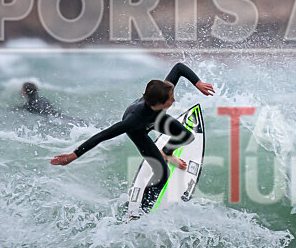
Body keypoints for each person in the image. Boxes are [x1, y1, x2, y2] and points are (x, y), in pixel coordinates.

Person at [50, 63, 215, 210]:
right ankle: (143, 211)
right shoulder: (133, 121)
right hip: (138, 130)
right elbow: (102, 135)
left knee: (186, 136)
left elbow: (178, 68)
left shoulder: (161, 92)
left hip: (155, 118)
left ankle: (167, 153)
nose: (174, 99)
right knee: (162, 173)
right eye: (171, 99)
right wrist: (73, 155)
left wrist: (198, 83)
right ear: (161, 103)